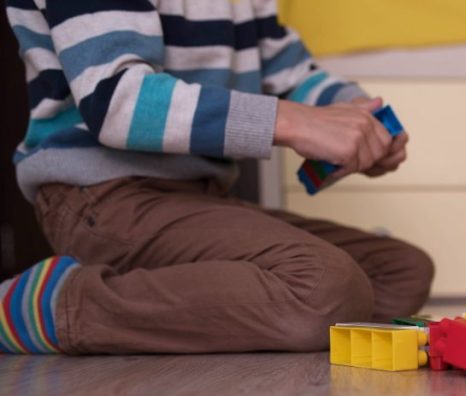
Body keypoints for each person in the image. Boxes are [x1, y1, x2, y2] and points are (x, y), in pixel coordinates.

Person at [0, 0, 434, 355]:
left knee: (402, 271)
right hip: (103, 196)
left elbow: (293, 77)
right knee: (323, 287)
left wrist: (357, 117)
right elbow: (117, 102)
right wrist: (297, 122)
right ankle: (59, 307)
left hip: (198, 196)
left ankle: (236, 315)